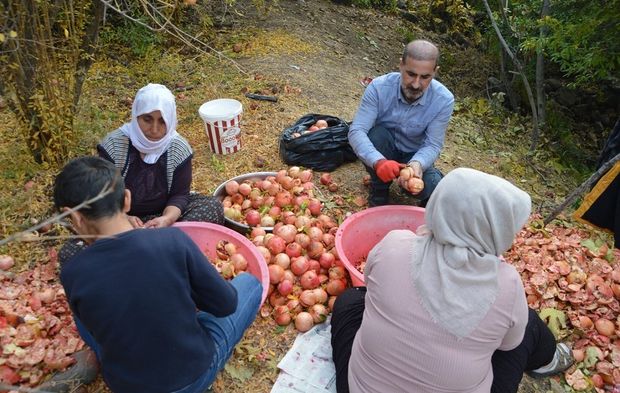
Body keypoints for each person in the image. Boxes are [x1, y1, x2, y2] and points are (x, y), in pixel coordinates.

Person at [330, 168, 573, 393]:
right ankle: (549, 360)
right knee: (527, 324)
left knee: (351, 299)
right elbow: (508, 346)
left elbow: (370, 285)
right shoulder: (506, 285)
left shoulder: (394, 245)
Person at [52, 156, 262, 393]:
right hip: (191, 377)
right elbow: (226, 304)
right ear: (127, 199)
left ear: (75, 216)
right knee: (249, 284)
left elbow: (93, 328)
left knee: (84, 316)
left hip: (127, 386)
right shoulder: (171, 240)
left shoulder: (72, 271)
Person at [58, 83, 224, 264]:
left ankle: (133, 257)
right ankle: (162, 252)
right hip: (121, 222)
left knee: (212, 207)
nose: (154, 129)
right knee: (71, 252)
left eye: (162, 121)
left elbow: (180, 194)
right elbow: (104, 197)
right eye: (147, 119)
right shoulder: (114, 146)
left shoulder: (178, 148)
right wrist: (124, 219)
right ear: (136, 116)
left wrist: (167, 219)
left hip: (161, 220)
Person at [348, 39, 454, 207]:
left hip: (413, 155)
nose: (416, 84)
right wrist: (378, 162)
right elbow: (357, 131)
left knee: (431, 186)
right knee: (377, 136)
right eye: (411, 74)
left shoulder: (443, 100)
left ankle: (428, 205)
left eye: (425, 77)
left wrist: (417, 164)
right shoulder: (378, 88)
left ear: (435, 72)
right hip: (384, 147)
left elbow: (433, 144)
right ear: (400, 65)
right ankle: (379, 188)